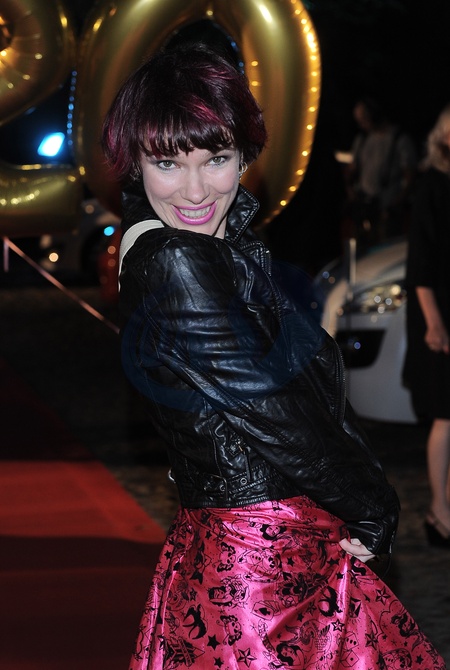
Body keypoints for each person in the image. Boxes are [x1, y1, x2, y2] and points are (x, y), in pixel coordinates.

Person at [102, 43, 445, 669]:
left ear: (244, 156)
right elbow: (268, 403)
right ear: (136, 164)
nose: (196, 190)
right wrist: (370, 504)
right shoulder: (177, 259)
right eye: (167, 163)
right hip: (262, 555)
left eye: (217, 159)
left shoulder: (199, 244)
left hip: (248, 538)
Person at [404, 103, 450, 550]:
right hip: (439, 314)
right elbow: (419, 266)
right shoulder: (432, 186)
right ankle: (438, 510)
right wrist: (435, 324)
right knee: (444, 415)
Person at [345, 97, 417, 246]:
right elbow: (351, 171)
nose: (363, 124)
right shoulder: (362, 139)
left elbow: (410, 177)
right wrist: (351, 193)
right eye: (359, 121)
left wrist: (396, 203)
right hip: (364, 207)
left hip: (387, 210)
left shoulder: (399, 139)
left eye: (365, 118)